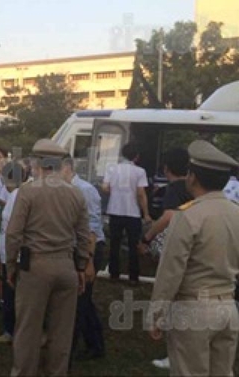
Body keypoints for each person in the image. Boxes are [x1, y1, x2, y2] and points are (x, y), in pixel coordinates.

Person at [148, 140, 239, 376]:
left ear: (193, 177)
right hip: (228, 306)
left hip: (193, 308)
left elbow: (170, 270)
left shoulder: (188, 216)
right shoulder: (236, 213)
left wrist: (157, 313)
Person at [7, 139, 92, 377]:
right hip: (66, 266)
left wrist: (11, 265)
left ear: (36, 163)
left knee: (28, 331)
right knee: (62, 334)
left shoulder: (27, 191)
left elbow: (14, 233)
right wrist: (81, 266)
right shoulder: (75, 193)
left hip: (35, 266)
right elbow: (83, 235)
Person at [136, 148, 192, 371]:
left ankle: (176, 355)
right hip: (198, 249)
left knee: (175, 296)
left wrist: (147, 238)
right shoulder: (196, 188)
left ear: (166, 168)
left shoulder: (174, 189)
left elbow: (169, 216)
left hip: (179, 249)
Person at [61, 156, 106, 363]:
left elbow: (93, 227)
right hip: (77, 249)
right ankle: (95, 345)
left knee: (80, 302)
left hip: (90, 248)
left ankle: (69, 352)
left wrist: (88, 260)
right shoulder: (65, 189)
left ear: (68, 168)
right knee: (83, 301)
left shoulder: (84, 190)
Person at [102, 142, 151, 284]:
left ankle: (114, 273)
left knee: (114, 243)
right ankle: (133, 276)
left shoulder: (111, 168)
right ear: (136, 157)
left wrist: (117, 192)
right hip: (132, 212)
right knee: (133, 244)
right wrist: (146, 213)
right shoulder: (140, 171)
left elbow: (105, 187)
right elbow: (141, 194)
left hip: (114, 210)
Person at [0, 161, 29, 344]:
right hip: (9, 253)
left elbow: (15, 227)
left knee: (12, 293)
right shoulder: (16, 194)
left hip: (14, 255)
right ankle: (14, 330)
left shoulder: (18, 194)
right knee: (12, 293)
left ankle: (12, 331)